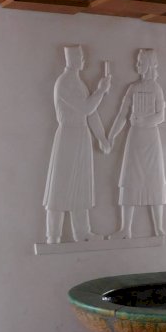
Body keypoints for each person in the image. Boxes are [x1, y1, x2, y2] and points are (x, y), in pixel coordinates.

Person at [43, 45, 111, 244]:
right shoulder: (65, 82)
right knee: (60, 185)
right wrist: (100, 91)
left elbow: (91, 114)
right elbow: (85, 108)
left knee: (81, 185)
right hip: (69, 137)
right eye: (80, 56)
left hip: (81, 136)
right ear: (70, 58)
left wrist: (102, 138)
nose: (83, 60)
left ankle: (82, 233)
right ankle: (53, 235)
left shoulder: (78, 82)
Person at [107, 48, 166, 239]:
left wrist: (144, 121)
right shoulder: (132, 88)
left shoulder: (156, 89)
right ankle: (126, 229)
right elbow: (122, 115)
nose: (137, 65)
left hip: (150, 139)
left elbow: (161, 115)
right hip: (135, 139)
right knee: (130, 179)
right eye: (137, 62)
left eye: (140, 62)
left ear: (149, 64)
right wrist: (111, 136)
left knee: (154, 178)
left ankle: (158, 227)